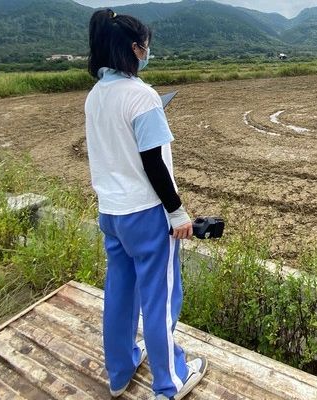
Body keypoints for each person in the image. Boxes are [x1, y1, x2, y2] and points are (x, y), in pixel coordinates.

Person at [84, 9, 207, 400]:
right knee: (160, 298)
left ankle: (120, 371)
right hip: (146, 214)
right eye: (146, 46)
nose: (148, 52)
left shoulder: (96, 95)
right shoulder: (142, 96)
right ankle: (170, 382)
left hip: (112, 213)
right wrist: (177, 212)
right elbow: (154, 163)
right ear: (135, 49)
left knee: (120, 291)